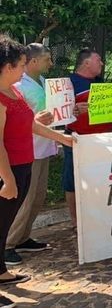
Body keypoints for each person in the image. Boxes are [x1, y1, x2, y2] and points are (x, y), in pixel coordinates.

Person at [0, 36, 72, 300]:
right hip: (8, 168)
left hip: (24, 162)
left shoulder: (15, 90)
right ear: (8, 66)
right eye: (20, 65)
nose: (23, 70)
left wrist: (62, 138)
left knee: (7, 220)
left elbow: (29, 123)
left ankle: (2, 271)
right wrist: (7, 178)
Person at [63, 49, 112, 229]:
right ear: (86, 63)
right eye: (98, 59)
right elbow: (58, 112)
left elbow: (110, 113)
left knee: (99, 179)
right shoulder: (69, 83)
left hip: (101, 140)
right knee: (72, 181)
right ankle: (76, 221)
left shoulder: (100, 83)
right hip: (78, 140)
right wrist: (74, 109)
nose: (102, 63)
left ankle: (97, 217)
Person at [4, 44, 57, 267]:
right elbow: (19, 119)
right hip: (26, 150)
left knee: (37, 196)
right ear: (34, 62)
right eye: (47, 59)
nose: (51, 64)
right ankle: (8, 244)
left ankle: (23, 237)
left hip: (43, 146)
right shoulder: (17, 85)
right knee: (22, 200)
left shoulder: (46, 82)